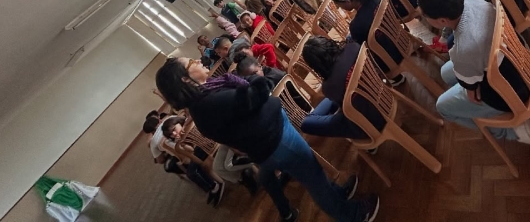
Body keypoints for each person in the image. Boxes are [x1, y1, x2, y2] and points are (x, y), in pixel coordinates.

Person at [155, 57, 379, 222]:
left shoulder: (202, 103)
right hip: (278, 141)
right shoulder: (210, 103)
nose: (197, 60)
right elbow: (259, 93)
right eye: (191, 62)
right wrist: (254, 77)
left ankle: (338, 194)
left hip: (270, 145)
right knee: (314, 179)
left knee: (312, 173)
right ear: (185, 79)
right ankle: (353, 215)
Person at [417, 0, 530, 150]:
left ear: (442, 21)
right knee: (446, 72)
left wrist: (471, 87)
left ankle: (512, 131)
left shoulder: (461, 49)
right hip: (518, 56)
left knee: (443, 107)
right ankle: (487, 114)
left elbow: (472, 93)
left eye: (426, 16)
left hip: (512, 91)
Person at [300, 36, 386, 140]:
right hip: (384, 98)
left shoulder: (328, 87)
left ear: (316, 66)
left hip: (370, 124)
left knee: (306, 123)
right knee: (341, 92)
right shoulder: (353, 47)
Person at [331, 0, 405, 87]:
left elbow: (363, 49)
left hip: (391, 58)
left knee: (356, 54)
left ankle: (394, 77)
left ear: (348, 1)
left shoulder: (356, 25)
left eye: (339, 5)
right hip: (401, 38)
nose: (340, 8)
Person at [148, 114, 226, 206]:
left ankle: (214, 186)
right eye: (171, 133)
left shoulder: (157, 139)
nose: (174, 134)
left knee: (189, 169)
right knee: (190, 165)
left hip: (198, 147)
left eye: (173, 130)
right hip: (205, 139)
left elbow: (161, 160)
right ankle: (215, 185)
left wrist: (180, 143)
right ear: (159, 120)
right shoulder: (171, 119)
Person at [213, 34, 279, 69]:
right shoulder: (238, 41)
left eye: (219, 53)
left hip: (260, 68)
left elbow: (268, 47)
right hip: (263, 60)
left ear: (225, 48)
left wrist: (270, 66)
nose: (219, 56)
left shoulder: (232, 56)